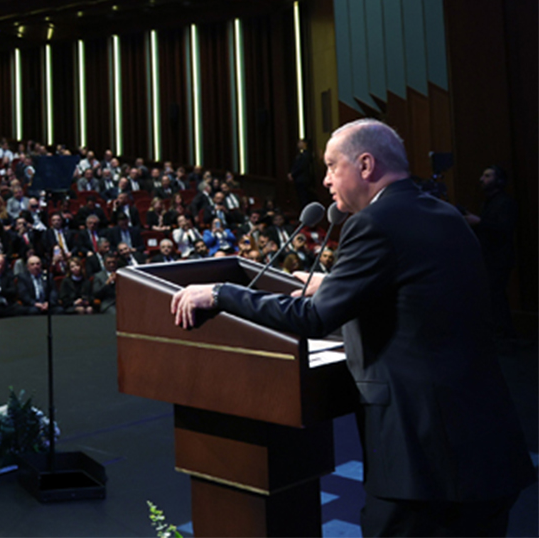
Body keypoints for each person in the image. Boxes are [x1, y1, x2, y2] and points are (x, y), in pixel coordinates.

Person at [172, 119, 534, 536]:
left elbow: (312, 318)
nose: (324, 180)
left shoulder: (373, 224)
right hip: (486, 448)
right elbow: (423, 296)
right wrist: (338, 284)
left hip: (422, 463)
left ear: (365, 164)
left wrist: (221, 293)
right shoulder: (444, 214)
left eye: (330, 166)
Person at [463, 165, 519, 339]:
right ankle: (502, 334)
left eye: (487, 176)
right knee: (493, 296)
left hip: (499, 257)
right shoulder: (488, 202)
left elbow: (504, 228)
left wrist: (479, 222)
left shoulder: (505, 203)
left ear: (499, 180)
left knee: (496, 296)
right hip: (489, 256)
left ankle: (505, 335)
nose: (482, 179)